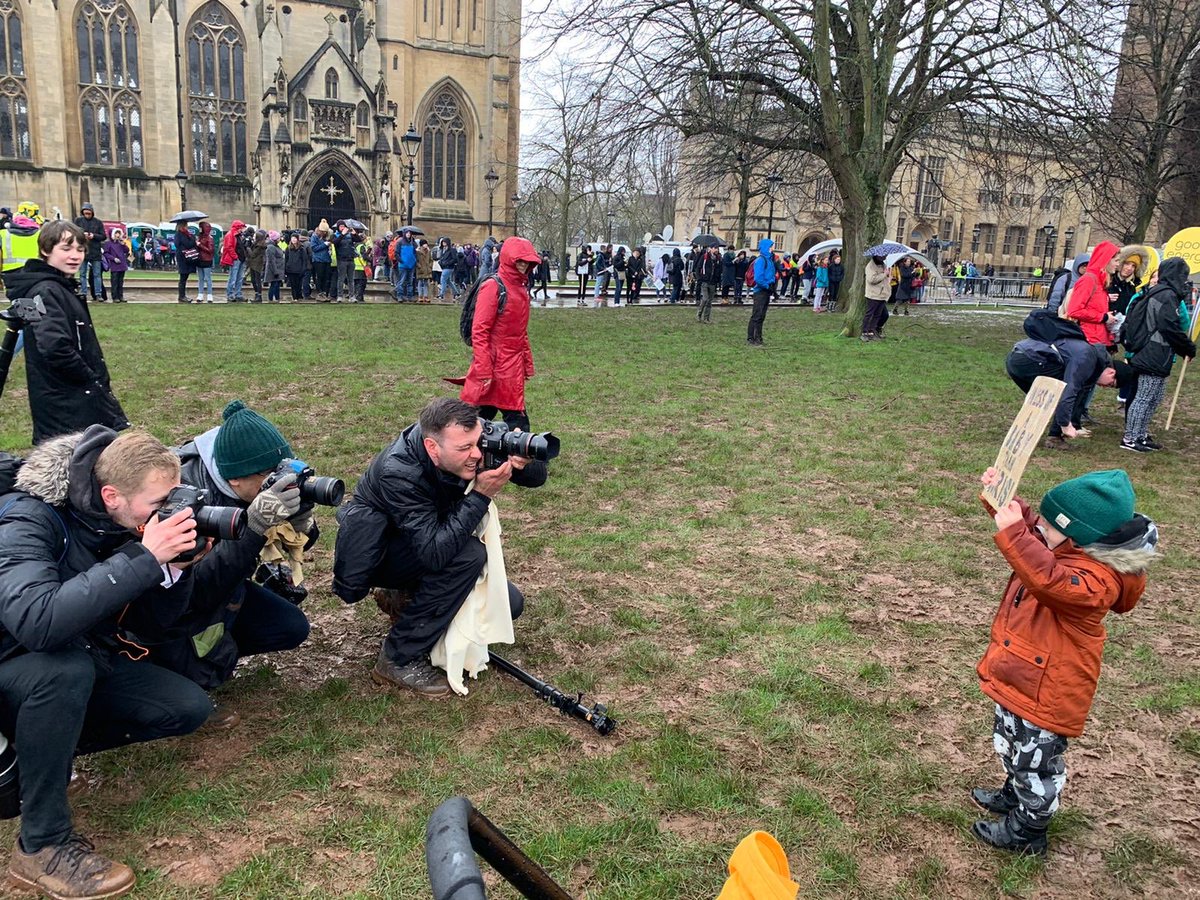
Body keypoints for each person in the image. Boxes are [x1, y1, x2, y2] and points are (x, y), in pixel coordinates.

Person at [0, 427, 216, 899]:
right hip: (16, 663)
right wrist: (144, 556)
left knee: (184, 707)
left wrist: (174, 570)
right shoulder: (27, 520)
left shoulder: (116, 520)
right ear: (111, 494)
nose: (167, 512)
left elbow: (155, 628)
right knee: (63, 672)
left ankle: (45, 754)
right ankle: (41, 845)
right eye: (158, 502)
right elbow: (37, 623)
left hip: (74, 656)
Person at [972, 467, 1156, 856]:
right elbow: (1034, 535)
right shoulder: (1064, 546)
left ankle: (1028, 829)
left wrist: (1015, 534)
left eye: (1050, 527)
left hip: (1050, 689)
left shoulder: (1097, 581)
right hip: (1024, 675)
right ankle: (1015, 793)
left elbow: (1049, 579)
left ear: (1079, 537)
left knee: (1036, 761)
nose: (1039, 529)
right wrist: (1004, 500)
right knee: (1011, 744)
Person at [332, 398, 545, 695]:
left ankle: (406, 597)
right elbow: (434, 553)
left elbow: (538, 479)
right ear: (433, 448)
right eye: (464, 449)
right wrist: (481, 495)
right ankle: (397, 657)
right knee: (468, 556)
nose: (476, 454)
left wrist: (521, 464)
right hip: (382, 552)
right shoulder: (399, 471)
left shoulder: (474, 438)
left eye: (477, 443)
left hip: (425, 537)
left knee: (509, 605)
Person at [157, 401, 313, 688]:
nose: (277, 483)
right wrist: (253, 527)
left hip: (229, 586)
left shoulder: (241, 476)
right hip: (172, 608)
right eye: (268, 477)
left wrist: (302, 524)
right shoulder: (184, 499)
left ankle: (214, 654)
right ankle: (172, 673)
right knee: (189, 701)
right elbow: (197, 589)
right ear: (234, 479)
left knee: (290, 627)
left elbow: (281, 550)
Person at [6, 221, 129, 444]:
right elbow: (54, 347)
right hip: (65, 402)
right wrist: (90, 380)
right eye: (66, 249)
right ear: (46, 250)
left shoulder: (58, 286)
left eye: (80, 250)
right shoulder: (44, 291)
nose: (75, 256)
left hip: (70, 397)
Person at [455, 237, 543, 427]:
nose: (523, 265)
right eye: (519, 260)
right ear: (509, 259)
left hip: (510, 365)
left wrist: (526, 363)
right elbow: (480, 330)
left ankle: (512, 454)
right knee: (478, 420)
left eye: (527, 261)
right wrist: (484, 368)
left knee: (507, 418)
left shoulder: (520, 288)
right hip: (494, 362)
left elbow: (520, 330)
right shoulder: (494, 286)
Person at [1120, 257, 1197, 452]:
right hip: (1152, 352)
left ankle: (1141, 434)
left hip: (1157, 353)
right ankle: (1130, 438)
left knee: (1155, 397)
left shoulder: (1163, 293)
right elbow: (1168, 325)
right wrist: (1187, 347)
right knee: (1144, 397)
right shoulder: (1165, 295)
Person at [747, 238, 778, 347]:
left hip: (766, 290)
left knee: (761, 315)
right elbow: (758, 278)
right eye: (771, 246)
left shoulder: (769, 259)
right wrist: (766, 285)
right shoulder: (761, 260)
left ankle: (758, 337)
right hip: (761, 291)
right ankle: (752, 337)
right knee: (757, 315)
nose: (772, 248)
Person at [72, 203, 107, 303]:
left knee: (97, 275)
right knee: (82, 274)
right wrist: (82, 235)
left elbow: (103, 236)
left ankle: (98, 294)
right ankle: (83, 293)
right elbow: (73, 232)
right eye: (85, 212)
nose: (87, 214)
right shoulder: (78, 221)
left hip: (95, 251)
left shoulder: (98, 222)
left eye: (89, 212)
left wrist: (93, 236)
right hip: (82, 250)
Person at [861, 254, 890, 341]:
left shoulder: (883, 264)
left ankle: (871, 331)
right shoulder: (870, 266)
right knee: (869, 314)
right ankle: (864, 332)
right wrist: (884, 274)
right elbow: (872, 279)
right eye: (883, 256)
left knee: (877, 315)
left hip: (882, 294)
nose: (885, 257)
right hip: (873, 294)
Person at [101, 227, 130, 304]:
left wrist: (124, 245)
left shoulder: (120, 243)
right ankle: (115, 297)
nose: (118, 235)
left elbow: (127, 250)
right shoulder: (108, 244)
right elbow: (106, 253)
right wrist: (113, 258)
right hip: (114, 265)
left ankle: (121, 296)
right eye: (116, 233)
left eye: (119, 233)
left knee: (120, 282)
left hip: (122, 264)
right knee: (114, 281)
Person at [331, 222, 356, 302]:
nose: (342, 227)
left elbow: (358, 240)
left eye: (343, 226)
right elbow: (335, 243)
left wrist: (355, 234)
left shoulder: (349, 235)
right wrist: (342, 234)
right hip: (341, 260)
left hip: (351, 259)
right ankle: (340, 296)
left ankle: (352, 296)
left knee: (351, 279)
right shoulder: (335, 235)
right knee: (341, 279)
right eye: (341, 226)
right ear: (338, 227)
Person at [696, 245, 721, 324]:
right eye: (715, 248)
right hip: (705, 281)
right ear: (711, 249)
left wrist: (717, 279)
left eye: (717, 248)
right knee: (705, 298)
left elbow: (719, 269)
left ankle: (706, 318)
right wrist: (700, 278)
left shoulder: (718, 258)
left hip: (713, 282)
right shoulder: (705, 257)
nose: (716, 250)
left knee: (709, 301)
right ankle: (699, 314)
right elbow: (698, 267)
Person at [309, 222, 333, 300]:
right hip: (318, 260)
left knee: (326, 278)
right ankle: (320, 293)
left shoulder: (327, 237)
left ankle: (324, 293)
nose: (325, 233)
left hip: (327, 259)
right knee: (319, 277)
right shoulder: (314, 237)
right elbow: (314, 248)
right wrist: (324, 245)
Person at [174, 223, 197, 304]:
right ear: (182, 226)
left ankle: (182, 296)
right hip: (183, 258)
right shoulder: (180, 234)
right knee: (183, 278)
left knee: (184, 278)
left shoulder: (184, 234)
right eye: (186, 225)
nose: (187, 227)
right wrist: (193, 239)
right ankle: (182, 296)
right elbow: (188, 244)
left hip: (185, 257)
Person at [194, 221, 215, 303]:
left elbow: (210, 250)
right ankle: (200, 294)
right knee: (201, 278)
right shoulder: (200, 237)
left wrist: (200, 245)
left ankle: (210, 295)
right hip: (200, 259)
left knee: (207, 278)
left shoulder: (209, 238)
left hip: (206, 260)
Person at [284, 233, 308, 301]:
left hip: (299, 269)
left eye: (295, 238)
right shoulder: (288, 249)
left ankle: (298, 295)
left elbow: (304, 260)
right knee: (293, 284)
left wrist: (303, 269)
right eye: (292, 238)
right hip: (290, 269)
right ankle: (295, 297)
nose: (293, 240)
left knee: (298, 284)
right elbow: (286, 259)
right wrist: (286, 268)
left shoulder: (301, 249)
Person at [395, 231, 417, 302]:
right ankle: (400, 296)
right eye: (407, 233)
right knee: (401, 281)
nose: (408, 234)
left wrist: (414, 261)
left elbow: (416, 252)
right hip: (403, 265)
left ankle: (410, 296)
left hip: (411, 265)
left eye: (410, 233)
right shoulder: (400, 242)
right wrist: (401, 261)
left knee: (410, 282)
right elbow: (396, 253)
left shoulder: (413, 243)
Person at [264, 230, 285, 303]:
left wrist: (282, 241)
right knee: (273, 285)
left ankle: (277, 298)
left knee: (277, 285)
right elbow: (271, 260)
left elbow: (285, 248)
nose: (280, 239)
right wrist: (275, 271)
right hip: (274, 269)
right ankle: (270, 299)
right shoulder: (271, 247)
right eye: (279, 238)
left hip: (279, 268)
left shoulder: (277, 245)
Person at [415, 238, 433, 303]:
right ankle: (420, 296)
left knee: (426, 283)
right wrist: (419, 266)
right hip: (421, 269)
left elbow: (431, 260)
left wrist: (430, 266)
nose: (426, 245)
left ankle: (425, 296)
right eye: (425, 244)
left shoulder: (429, 251)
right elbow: (416, 260)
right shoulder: (418, 251)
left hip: (427, 269)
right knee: (420, 283)